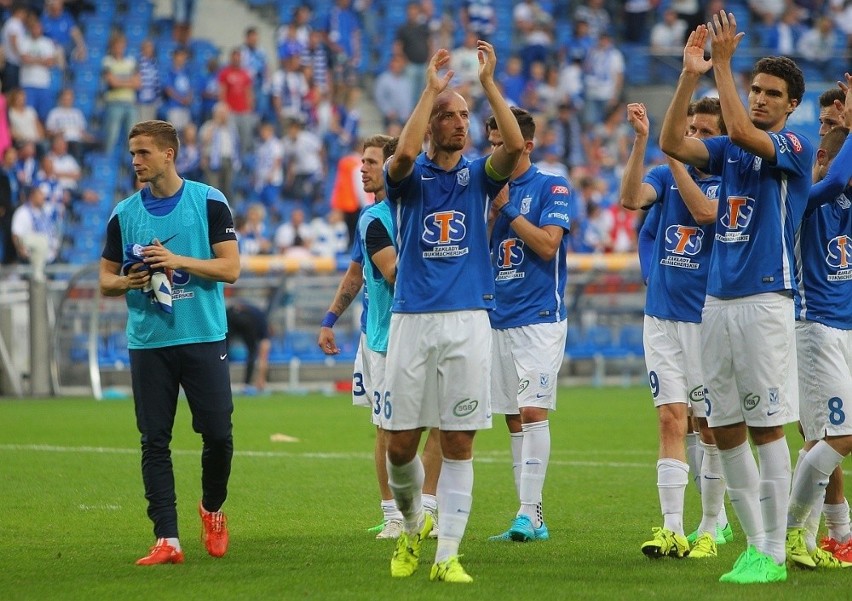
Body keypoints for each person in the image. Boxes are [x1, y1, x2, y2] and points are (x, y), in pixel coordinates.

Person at [659, 15, 813, 584]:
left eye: (773, 94)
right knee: (722, 429)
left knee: (767, 427)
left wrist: (722, 65)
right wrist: (688, 76)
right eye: (756, 91)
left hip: (766, 300)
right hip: (715, 303)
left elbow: (748, 135)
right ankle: (755, 546)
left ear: (792, 105)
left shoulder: (793, 147)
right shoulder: (725, 151)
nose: (762, 100)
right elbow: (672, 142)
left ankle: (774, 549)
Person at [382, 42, 524, 583]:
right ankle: (413, 524)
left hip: (468, 318)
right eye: (450, 116)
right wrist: (429, 92)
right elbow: (399, 156)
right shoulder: (411, 178)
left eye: (465, 117)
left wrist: (487, 85)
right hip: (413, 318)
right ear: (432, 124)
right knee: (400, 444)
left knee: (460, 440)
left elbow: (513, 144)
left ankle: (448, 556)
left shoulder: (479, 177)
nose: (460, 124)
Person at [98, 120, 240, 566]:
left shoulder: (209, 201)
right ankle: (167, 539)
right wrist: (126, 281)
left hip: (202, 334)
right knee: (153, 439)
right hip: (149, 341)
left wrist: (175, 259)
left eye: (143, 152)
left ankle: (212, 509)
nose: (135, 161)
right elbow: (104, 278)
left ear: (168, 154)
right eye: (132, 153)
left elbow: (231, 269)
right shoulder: (124, 213)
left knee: (218, 433)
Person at [621, 97, 731, 559]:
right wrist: (644, 142)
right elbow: (629, 199)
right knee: (670, 418)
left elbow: (705, 213)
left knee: (709, 426)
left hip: (706, 317)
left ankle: (710, 525)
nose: (697, 139)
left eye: (707, 133)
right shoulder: (664, 175)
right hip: (662, 314)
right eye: (691, 130)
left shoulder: (731, 181)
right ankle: (672, 528)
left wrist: (673, 154)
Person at [318, 135, 441, 540]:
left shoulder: (407, 210)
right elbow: (366, 273)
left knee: (436, 422)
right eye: (363, 162)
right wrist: (330, 318)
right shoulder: (373, 218)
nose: (363, 169)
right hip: (384, 339)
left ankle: (428, 509)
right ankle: (394, 514)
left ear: (393, 166)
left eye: (371, 162)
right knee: (389, 429)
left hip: (413, 335)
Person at [483, 106, 572, 544]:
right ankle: (533, 516)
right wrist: (491, 212)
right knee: (514, 420)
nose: (496, 149)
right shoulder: (487, 189)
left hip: (539, 318)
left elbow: (548, 246)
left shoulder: (551, 185)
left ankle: (526, 513)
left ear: (527, 145)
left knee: (533, 411)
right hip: (498, 318)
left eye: (504, 142)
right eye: (493, 142)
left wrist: (510, 212)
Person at [787, 75, 852, 568]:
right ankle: (788, 530)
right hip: (816, 325)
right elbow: (828, 182)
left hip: (845, 326)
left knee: (820, 438)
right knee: (839, 436)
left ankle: (823, 538)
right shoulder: (799, 194)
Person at [226, 300, 271, 394]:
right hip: (246, 318)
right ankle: (246, 384)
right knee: (252, 352)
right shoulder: (263, 325)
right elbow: (264, 355)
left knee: (222, 352)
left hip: (230, 314)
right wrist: (261, 379)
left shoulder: (259, 316)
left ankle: (219, 383)